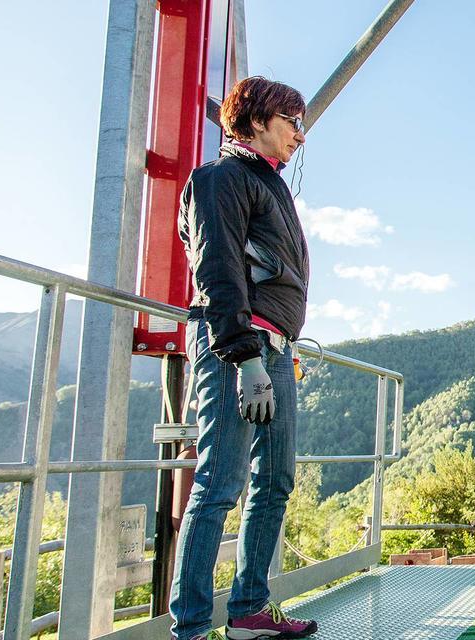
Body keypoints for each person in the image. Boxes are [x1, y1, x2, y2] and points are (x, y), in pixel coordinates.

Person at [171, 76, 318, 640]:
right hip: (238, 346)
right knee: (220, 482)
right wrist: (244, 357)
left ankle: (249, 611)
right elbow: (218, 269)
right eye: (291, 123)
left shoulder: (269, 184)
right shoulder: (220, 179)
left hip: (277, 348)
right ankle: (189, 628)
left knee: (275, 479)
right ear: (256, 121)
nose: (299, 136)